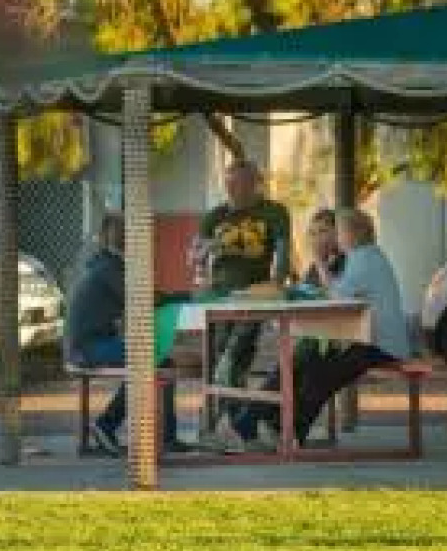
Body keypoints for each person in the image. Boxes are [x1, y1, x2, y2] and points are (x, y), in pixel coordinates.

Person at [228, 207, 410, 450]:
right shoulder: (361, 256)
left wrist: (319, 264)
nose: (336, 237)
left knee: (317, 373)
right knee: (304, 363)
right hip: (353, 337)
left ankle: (279, 430)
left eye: (337, 231)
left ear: (353, 234)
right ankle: (268, 427)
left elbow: (336, 296)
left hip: (376, 343)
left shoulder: (362, 258)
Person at [62, 214, 186, 455]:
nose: (125, 235)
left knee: (162, 361)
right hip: (87, 347)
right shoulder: (108, 266)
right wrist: (186, 296)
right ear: (105, 235)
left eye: (128, 230)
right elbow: (145, 297)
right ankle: (106, 425)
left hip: (95, 341)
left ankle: (165, 436)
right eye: (119, 231)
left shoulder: (110, 263)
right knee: (156, 361)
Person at [199, 159, 292, 421]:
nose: (232, 191)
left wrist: (277, 283)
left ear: (255, 184)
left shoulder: (274, 212)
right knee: (221, 355)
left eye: (238, 185)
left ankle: (230, 416)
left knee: (238, 350)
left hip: (255, 292)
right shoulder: (215, 215)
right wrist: (200, 254)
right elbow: (195, 256)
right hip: (219, 294)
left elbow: (283, 252)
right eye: (228, 185)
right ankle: (223, 418)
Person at [300, 207, 345, 292]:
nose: (317, 238)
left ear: (337, 234)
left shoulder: (349, 261)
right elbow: (304, 293)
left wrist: (319, 262)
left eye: (322, 231)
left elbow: (338, 293)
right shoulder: (314, 268)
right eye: (313, 233)